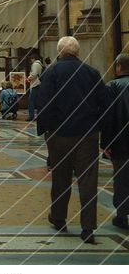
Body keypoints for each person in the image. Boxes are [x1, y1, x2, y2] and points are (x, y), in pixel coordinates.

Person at [37, 36, 108, 244]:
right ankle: (88, 228)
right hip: (86, 136)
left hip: (59, 135)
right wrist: (99, 129)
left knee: (61, 178)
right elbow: (104, 103)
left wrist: (47, 130)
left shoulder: (51, 73)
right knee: (88, 182)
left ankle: (59, 218)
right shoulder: (92, 73)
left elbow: (44, 104)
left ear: (60, 52)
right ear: (77, 52)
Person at [101, 52, 129, 230]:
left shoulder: (112, 86)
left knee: (121, 178)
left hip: (121, 142)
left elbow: (108, 117)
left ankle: (122, 215)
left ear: (118, 67)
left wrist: (105, 143)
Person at [27, 52, 43, 121]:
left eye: (31, 59)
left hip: (35, 84)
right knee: (38, 101)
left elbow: (34, 74)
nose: (31, 60)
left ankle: (31, 116)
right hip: (38, 83)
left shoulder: (35, 64)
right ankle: (39, 115)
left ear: (33, 58)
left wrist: (28, 78)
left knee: (31, 100)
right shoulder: (39, 64)